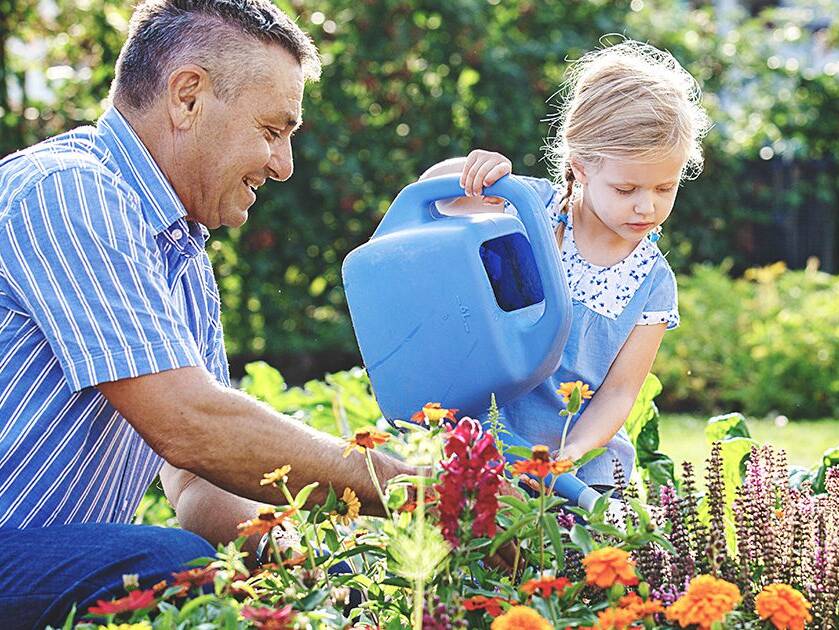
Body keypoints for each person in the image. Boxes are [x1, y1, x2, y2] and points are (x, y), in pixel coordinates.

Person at [0, 1, 412, 626]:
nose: (284, 166)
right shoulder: (68, 192)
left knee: (205, 568)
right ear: (187, 97)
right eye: (271, 131)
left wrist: (298, 566)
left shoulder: (182, 258)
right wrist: (404, 489)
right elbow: (189, 425)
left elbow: (197, 481)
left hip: (30, 562)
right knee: (171, 562)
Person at [420, 40, 711, 489]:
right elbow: (432, 200)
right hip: (488, 450)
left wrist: (571, 454)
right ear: (581, 167)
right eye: (626, 189)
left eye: (664, 188)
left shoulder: (652, 283)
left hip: (582, 471)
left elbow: (619, 393)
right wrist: (473, 170)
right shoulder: (528, 209)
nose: (647, 206)